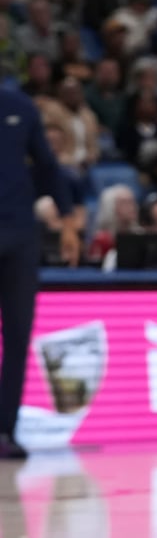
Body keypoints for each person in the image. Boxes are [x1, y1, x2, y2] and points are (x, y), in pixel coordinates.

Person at [0, 88, 78, 459]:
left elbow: (46, 166)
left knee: (18, 336)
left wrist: (68, 221)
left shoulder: (19, 106)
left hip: (19, 235)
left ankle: (6, 429)